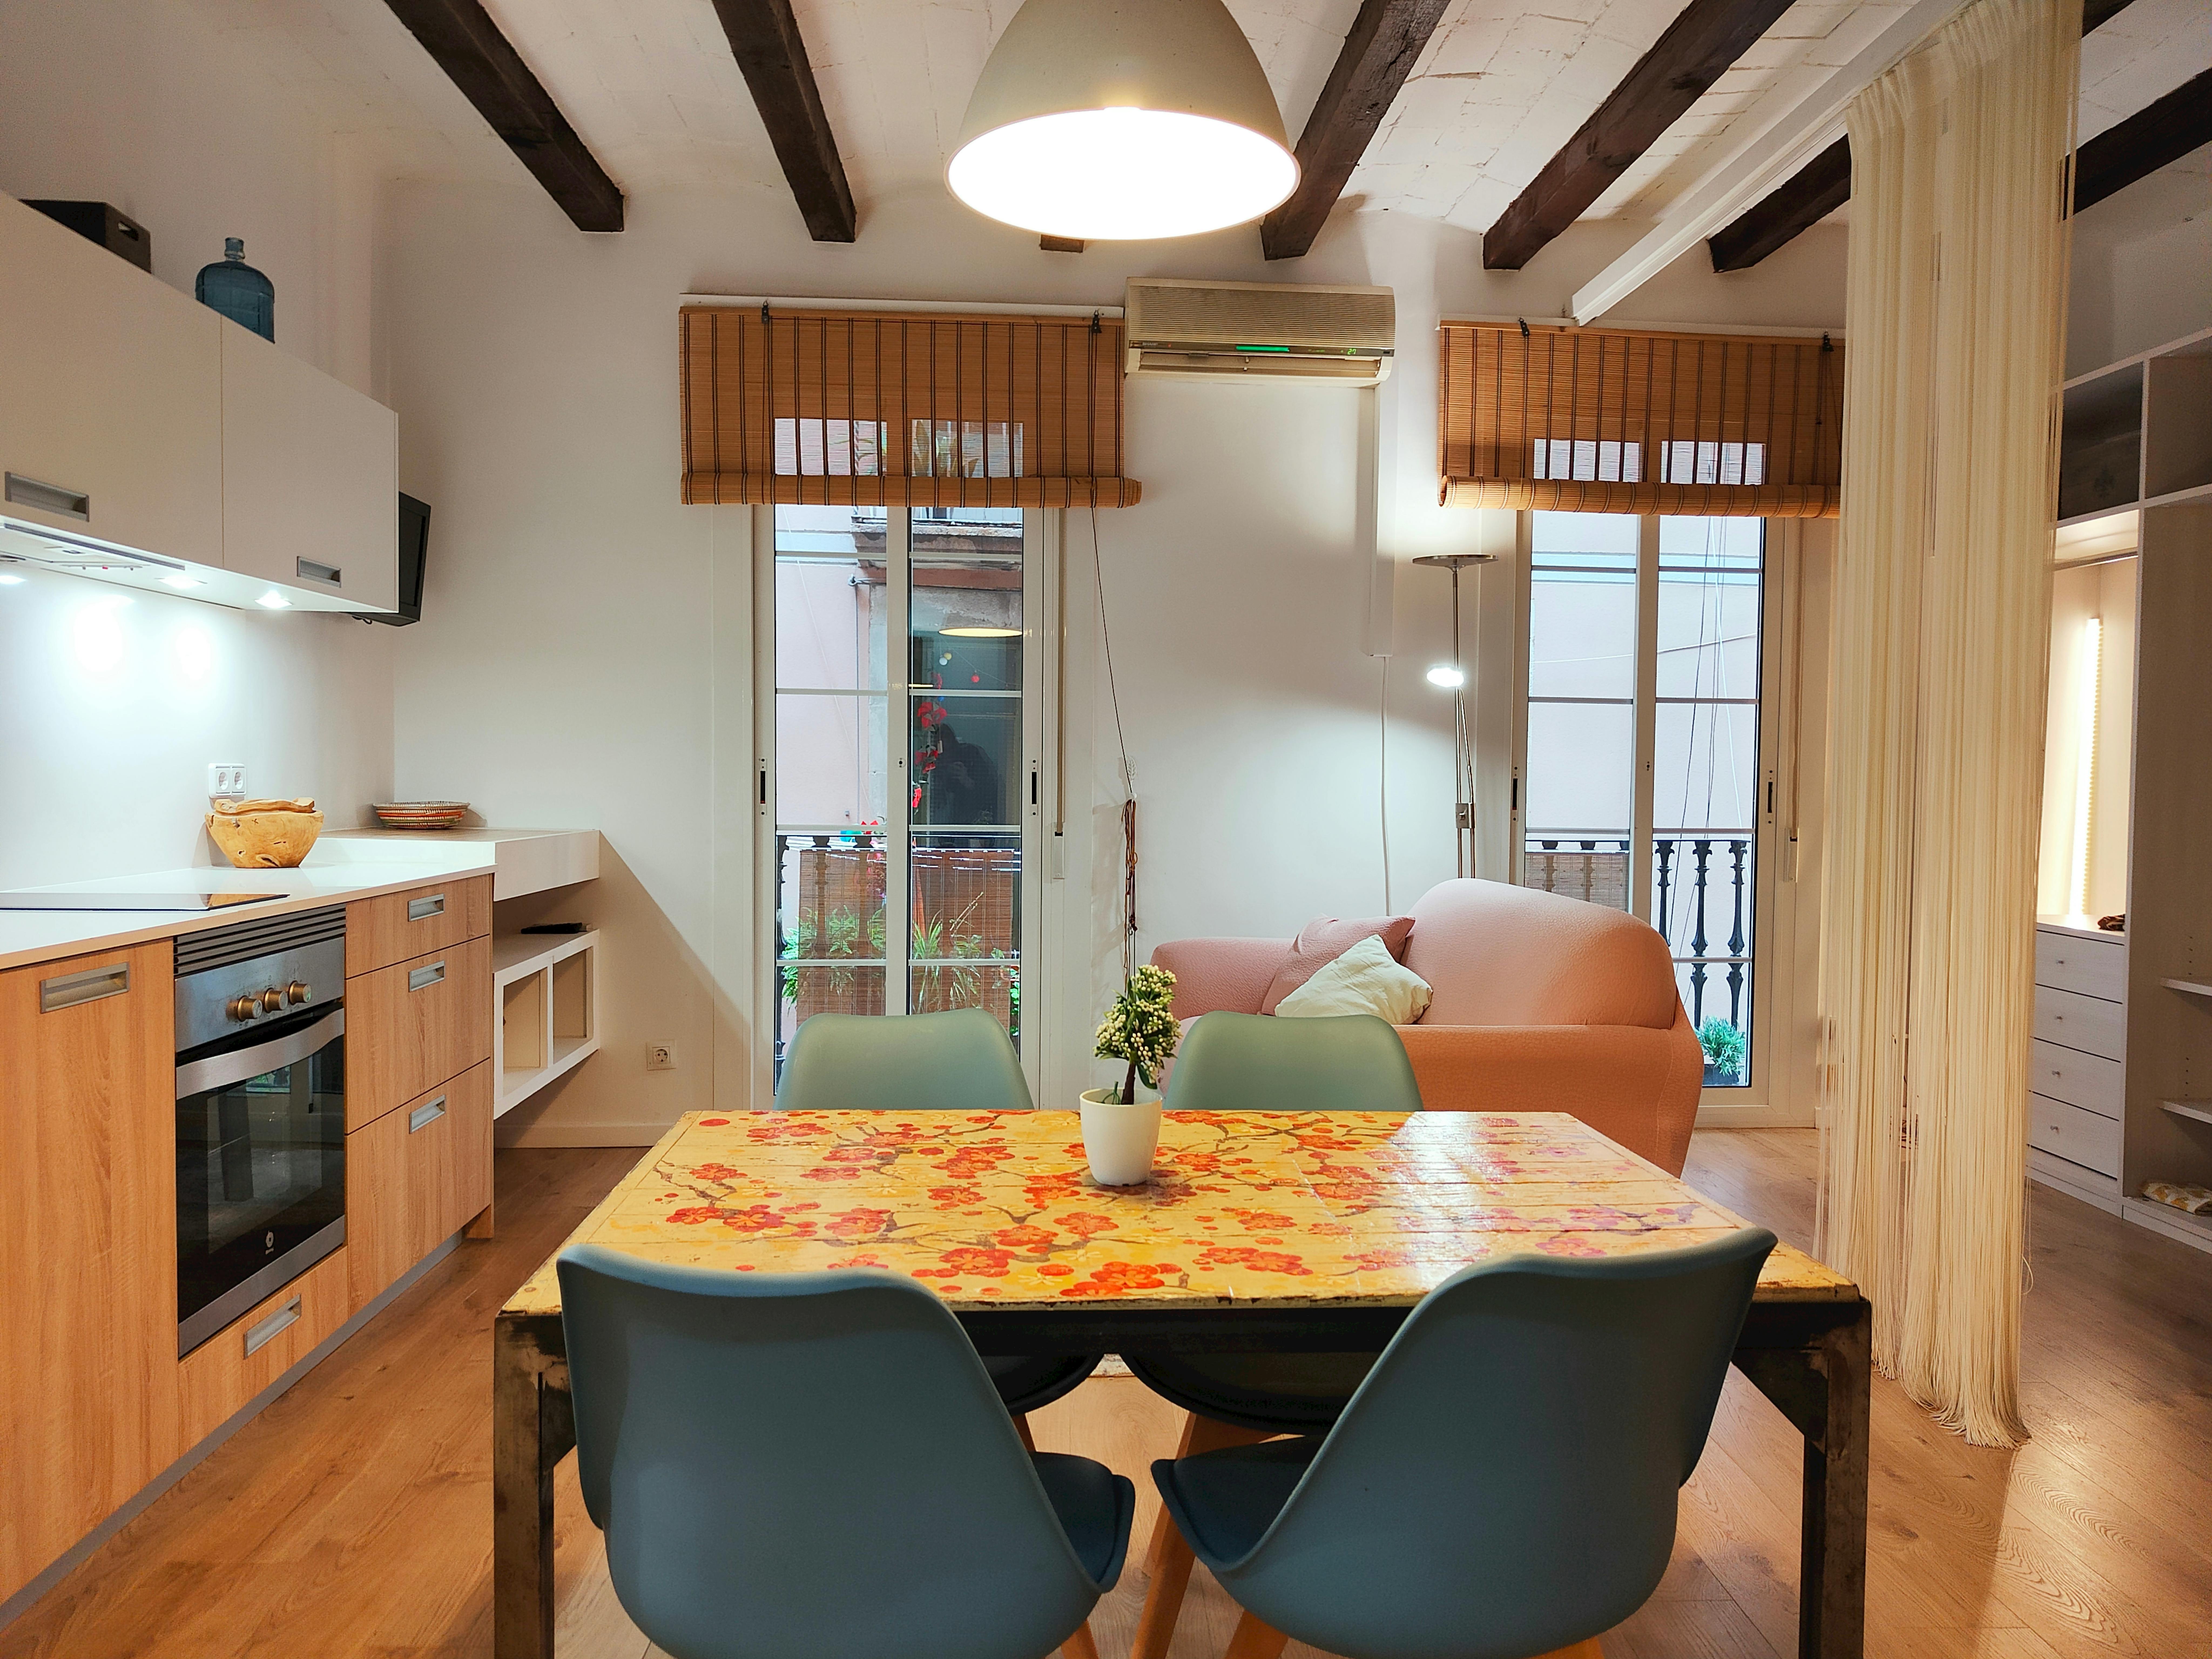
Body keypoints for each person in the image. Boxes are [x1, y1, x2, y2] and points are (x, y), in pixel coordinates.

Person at [929, 722, 1002, 825]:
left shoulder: (971, 755)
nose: (944, 756)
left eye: (947, 749)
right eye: (938, 753)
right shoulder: (929, 764)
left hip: (969, 823)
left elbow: (991, 792)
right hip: (933, 821)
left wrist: (967, 780)